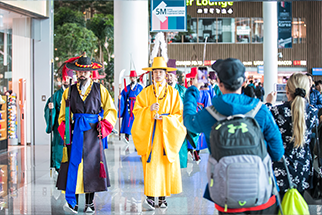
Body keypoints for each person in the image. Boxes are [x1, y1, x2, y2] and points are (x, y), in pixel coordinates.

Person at [183, 58, 284, 214]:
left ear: (219, 83)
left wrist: (193, 90)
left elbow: (189, 121)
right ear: (243, 82)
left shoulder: (209, 114)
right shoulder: (260, 110)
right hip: (262, 194)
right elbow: (277, 153)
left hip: (227, 197)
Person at [56, 55, 117, 214]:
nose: (82, 75)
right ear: (76, 73)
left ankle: (90, 202)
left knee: (92, 166)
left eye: (86, 72)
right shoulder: (68, 92)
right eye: (79, 72)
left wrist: (105, 125)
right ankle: (73, 201)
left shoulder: (100, 89)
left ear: (91, 73)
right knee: (74, 166)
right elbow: (62, 116)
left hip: (93, 133)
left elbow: (111, 110)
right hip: (75, 133)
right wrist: (65, 131)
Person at [131, 57, 186, 210]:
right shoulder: (146, 92)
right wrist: (148, 111)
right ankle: (150, 196)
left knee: (164, 165)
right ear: (152, 74)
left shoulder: (173, 93)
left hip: (166, 136)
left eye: (160, 72)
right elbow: (136, 111)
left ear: (165, 74)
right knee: (151, 165)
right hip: (150, 135)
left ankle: (161, 197)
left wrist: (165, 118)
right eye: (155, 72)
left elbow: (179, 114)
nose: (158, 75)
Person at [267, 73, 318, 199]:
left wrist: (268, 104)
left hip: (280, 166)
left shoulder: (276, 111)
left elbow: (263, 126)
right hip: (303, 168)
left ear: (287, 90)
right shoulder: (313, 113)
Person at [44, 62, 73, 173]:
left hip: (71, 125)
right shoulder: (56, 96)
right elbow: (50, 112)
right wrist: (51, 110)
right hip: (59, 126)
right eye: (64, 78)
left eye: (68, 78)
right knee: (59, 147)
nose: (66, 80)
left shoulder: (74, 92)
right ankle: (58, 167)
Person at [166, 59, 188, 168]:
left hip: (179, 123)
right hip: (165, 123)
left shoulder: (183, 91)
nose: (169, 78)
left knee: (179, 146)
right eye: (167, 75)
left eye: (171, 75)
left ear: (175, 77)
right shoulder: (162, 90)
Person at [118, 70, 143, 144]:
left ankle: (138, 137)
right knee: (127, 121)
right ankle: (127, 137)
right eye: (131, 77)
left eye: (134, 77)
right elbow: (123, 96)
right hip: (128, 106)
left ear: (136, 78)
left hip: (137, 106)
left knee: (137, 122)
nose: (132, 79)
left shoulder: (140, 87)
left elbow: (143, 97)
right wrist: (120, 98)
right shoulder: (127, 88)